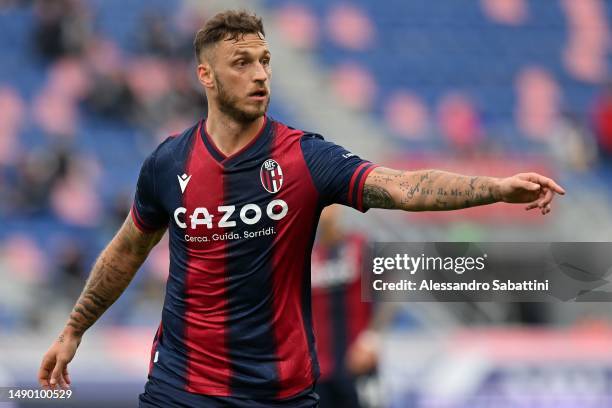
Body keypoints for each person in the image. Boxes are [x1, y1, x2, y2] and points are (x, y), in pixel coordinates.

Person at [38, 10, 565, 408]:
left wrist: (494, 188)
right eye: (241, 63)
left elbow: (401, 186)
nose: (260, 74)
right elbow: (127, 249)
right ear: (206, 75)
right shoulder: (167, 162)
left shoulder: (305, 157)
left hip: (280, 391)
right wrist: (74, 329)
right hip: (183, 385)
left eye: (265, 61)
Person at [311, 205, 377, 408]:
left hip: (358, 359)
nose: (326, 215)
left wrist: (372, 338)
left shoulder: (361, 245)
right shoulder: (305, 254)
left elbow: (391, 291)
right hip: (318, 366)